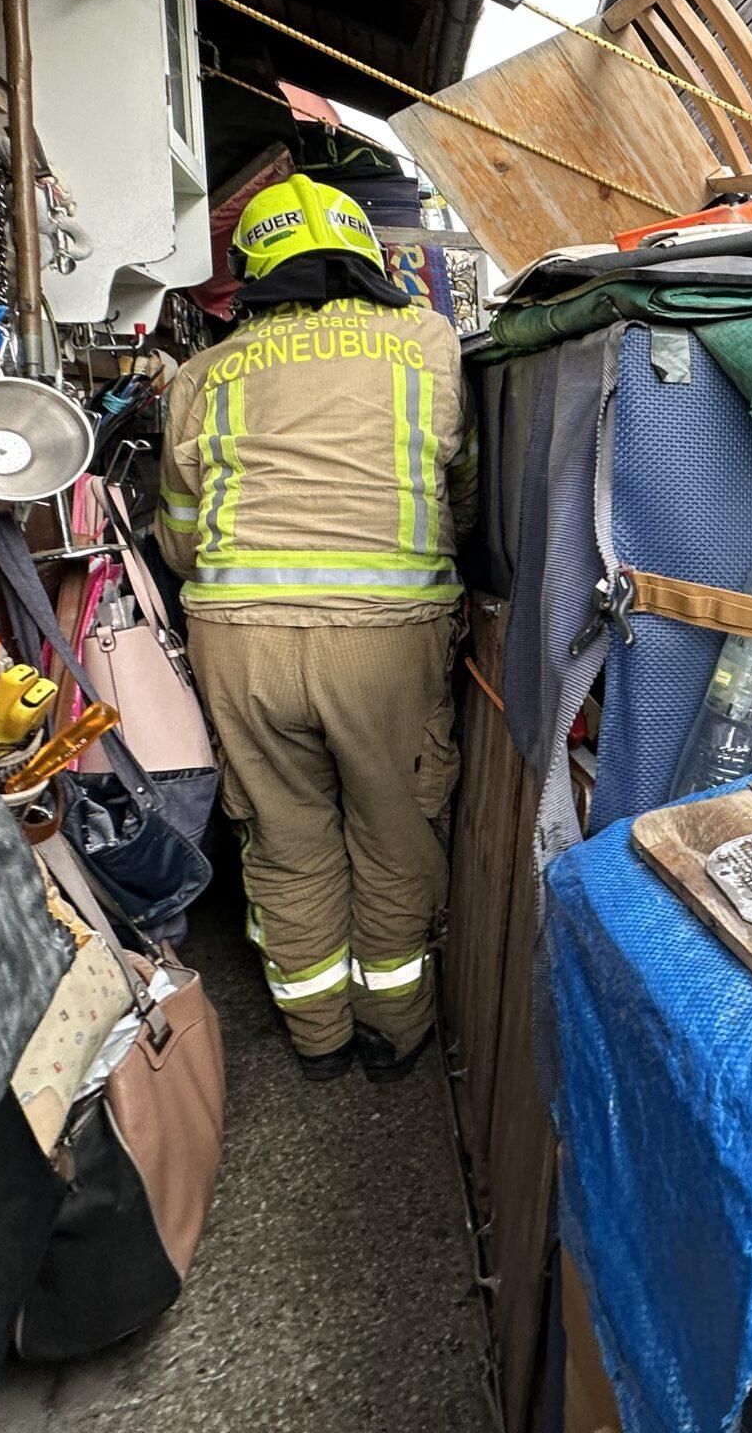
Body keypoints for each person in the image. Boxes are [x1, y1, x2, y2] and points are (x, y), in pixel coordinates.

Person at [156, 175, 476, 1082]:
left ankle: (319, 1040)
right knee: (394, 835)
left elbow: (178, 537)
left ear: (251, 271)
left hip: (239, 645)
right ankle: (393, 1033)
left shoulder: (203, 373)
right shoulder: (429, 342)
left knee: (284, 842)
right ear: (366, 256)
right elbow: (462, 494)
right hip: (386, 641)